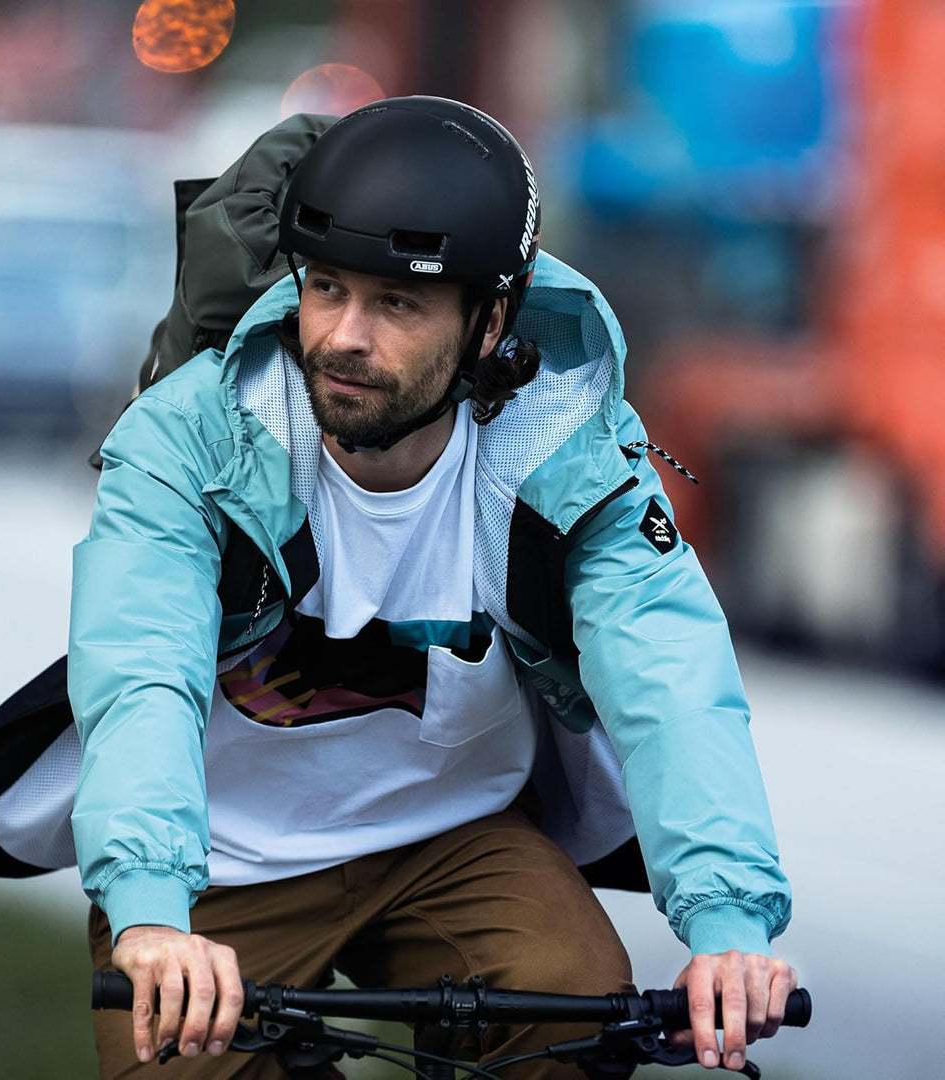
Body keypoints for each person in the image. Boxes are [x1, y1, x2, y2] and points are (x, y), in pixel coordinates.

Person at [69, 96, 796, 1078]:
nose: (344, 336)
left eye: (397, 304)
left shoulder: (568, 452)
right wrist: (152, 911)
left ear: (490, 320)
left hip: (454, 841)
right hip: (223, 861)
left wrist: (729, 925)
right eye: (327, 288)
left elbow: (672, 674)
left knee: (574, 1006)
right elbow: (139, 672)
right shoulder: (193, 437)